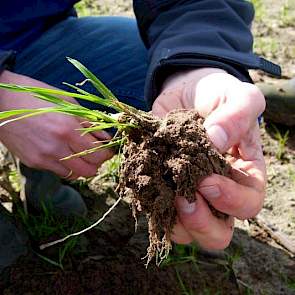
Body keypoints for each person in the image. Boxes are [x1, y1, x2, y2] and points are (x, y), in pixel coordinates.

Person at [0, 0, 281, 272]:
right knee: (9, 259)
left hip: (32, 35)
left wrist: (198, 66)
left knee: (164, 77)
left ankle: (41, 174)